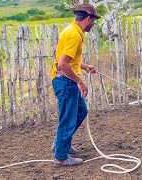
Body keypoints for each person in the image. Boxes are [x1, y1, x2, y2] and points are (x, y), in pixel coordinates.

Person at [51, 3, 101, 166]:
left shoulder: (72, 30)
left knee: (81, 111)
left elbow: (67, 59)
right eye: (94, 20)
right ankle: (61, 157)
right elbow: (63, 64)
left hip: (65, 80)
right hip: (66, 82)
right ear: (88, 18)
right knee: (68, 118)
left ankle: (60, 143)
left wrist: (85, 67)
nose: (94, 24)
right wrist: (80, 81)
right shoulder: (74, 35)